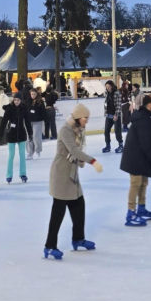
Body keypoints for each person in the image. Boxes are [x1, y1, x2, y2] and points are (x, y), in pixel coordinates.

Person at [43, 102, 103, 259]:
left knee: (79, 207)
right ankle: (49, 246)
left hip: (71, 175)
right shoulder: (66, 130)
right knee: (58, 212)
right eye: (85, 118)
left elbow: (77, 152)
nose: (87, 121)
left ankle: (78, 239)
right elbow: (74, 151)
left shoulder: (78, 130)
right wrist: (93, 161)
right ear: (78, 118)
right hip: (61, 175)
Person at [120, 94, 151, 226]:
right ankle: (131, 213)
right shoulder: (144, 120)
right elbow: (145, 143)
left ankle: (141, 209)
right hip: (135, 157)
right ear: (148, 105)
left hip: (141, 156)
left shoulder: (145, 117)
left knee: (143, 183)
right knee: (136, 183)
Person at [0, 94, 32, 184]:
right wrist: (0, 133)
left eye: (18, 100)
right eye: (15, 100)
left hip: (22, 134)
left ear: (21, 100)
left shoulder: (24, 108)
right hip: (11, 134)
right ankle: (9, 175)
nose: (16, 102)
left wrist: (30, 133)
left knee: (22, 155)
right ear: (13, 100)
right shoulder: (9, 109)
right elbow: (4, 121)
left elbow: (28, 122)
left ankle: (23, 174)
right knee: (11, 155)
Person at [102, 80, 124, 154]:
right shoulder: (106, 93)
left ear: (112, 86)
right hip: (108, 115)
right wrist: (106, 113)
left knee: (117, 131)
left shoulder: (117, 93)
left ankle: (121, 146)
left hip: (115, 115)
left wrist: (116, 115)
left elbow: (118, 105)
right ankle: (108, 146)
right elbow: (106, 103)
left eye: (108, 86)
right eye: (106, 87)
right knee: (106, 132)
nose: (107, 88)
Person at [26, 88, 46, 159]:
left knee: (36, 137)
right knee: (29, 137)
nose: (33, 95)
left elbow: (43, 112)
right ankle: (30, 153)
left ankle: (38, 151)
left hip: (37, 121)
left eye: (34, 94)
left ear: (36, 94)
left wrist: (42, 118)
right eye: (31, 94)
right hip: (29, 121)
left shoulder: (40, 101)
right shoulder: (28, 101)